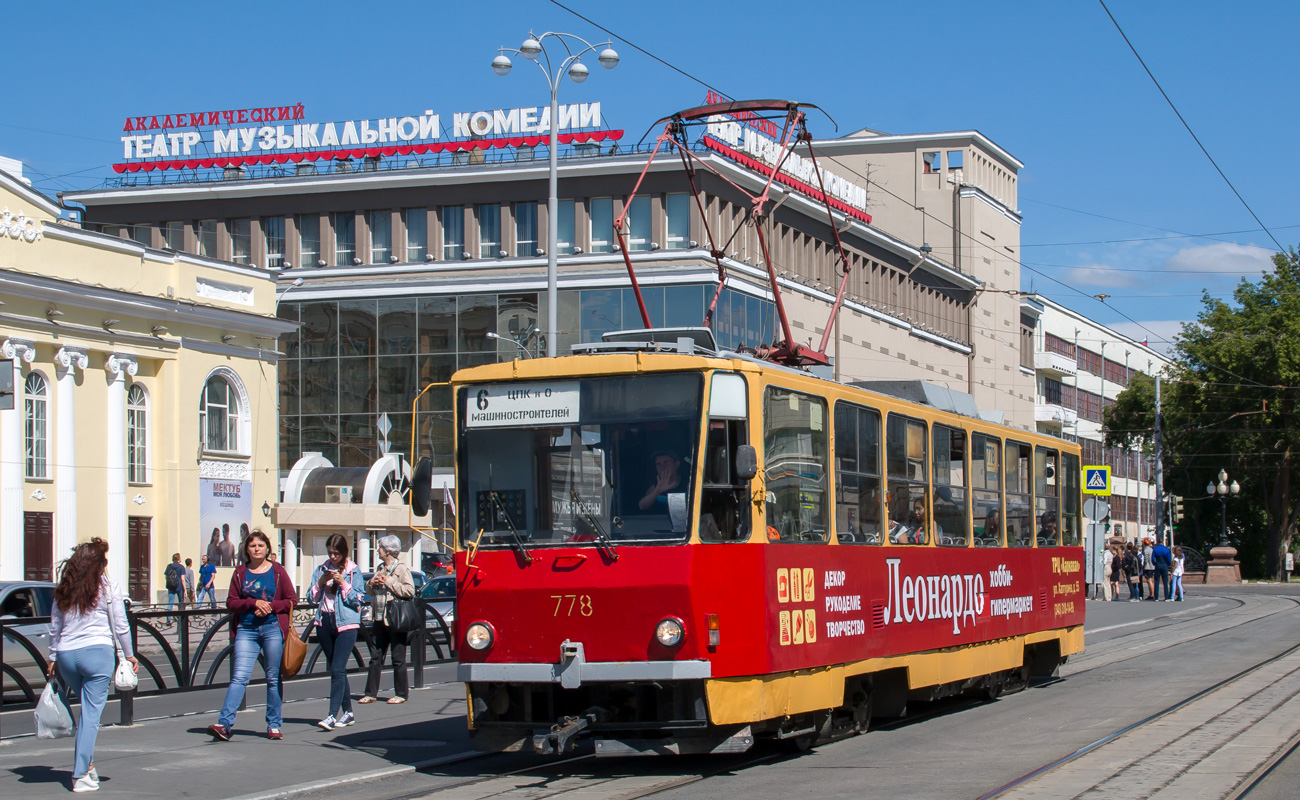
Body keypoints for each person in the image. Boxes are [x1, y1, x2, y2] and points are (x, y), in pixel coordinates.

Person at [47, 538, 139, 793]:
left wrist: (53, 657)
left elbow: (55, 627)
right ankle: (79, 776)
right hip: (97, 654)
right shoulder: (108, 587)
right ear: (98, 564)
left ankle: (88, 767)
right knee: (90, 716)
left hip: (66, 655)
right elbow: (120, 626)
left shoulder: (64, 588)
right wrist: (129, 655)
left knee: (86, 713)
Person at [207, 529, 296, 742]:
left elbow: (292, 600)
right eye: (253, 546)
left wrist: (270, 606)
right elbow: (231, 602)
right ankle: (225, 724)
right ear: (247, 549)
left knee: (273, 678)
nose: (257, 549)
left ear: (267, 549)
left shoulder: (277, 571)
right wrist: (252, 603)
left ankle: (274, 725)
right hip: (246, 630)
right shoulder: (240, 572)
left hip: (273, 628)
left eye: (261, 546)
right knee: (239, 677)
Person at [309, 533, 364, 731]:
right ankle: (348, 712)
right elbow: (311, 598)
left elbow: (357, 598)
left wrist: (343, 582)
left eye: (336, 554)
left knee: (337, 669)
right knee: (336, 669)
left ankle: (332, 715)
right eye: (330, 553)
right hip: (324, 621)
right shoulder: (321, 569)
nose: (333, 557)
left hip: (346, 624)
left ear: (344, 553)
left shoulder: (352, 571)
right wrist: (320, 583)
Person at [361, 535, 416, 705]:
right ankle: (370, 693)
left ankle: (401, 693)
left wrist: (389, 581)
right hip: (379, 617)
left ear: (388, 550)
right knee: (375, 656)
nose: (377, 550)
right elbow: (369, 591)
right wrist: (372, 582)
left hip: (395, 618)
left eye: (380, 548)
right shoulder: (379, 567)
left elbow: (409, 590)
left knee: (398, 657)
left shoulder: (400, 569)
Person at [163, 553, 186, 621]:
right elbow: (182, 579)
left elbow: (166, 576)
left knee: (170, 602)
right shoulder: (181, 567)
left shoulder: (169, 566)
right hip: (179, 587)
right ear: (179, 559)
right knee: (181, 602)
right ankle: (181, 618)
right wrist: (185, 590)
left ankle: (168, 619)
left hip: (171, 586)